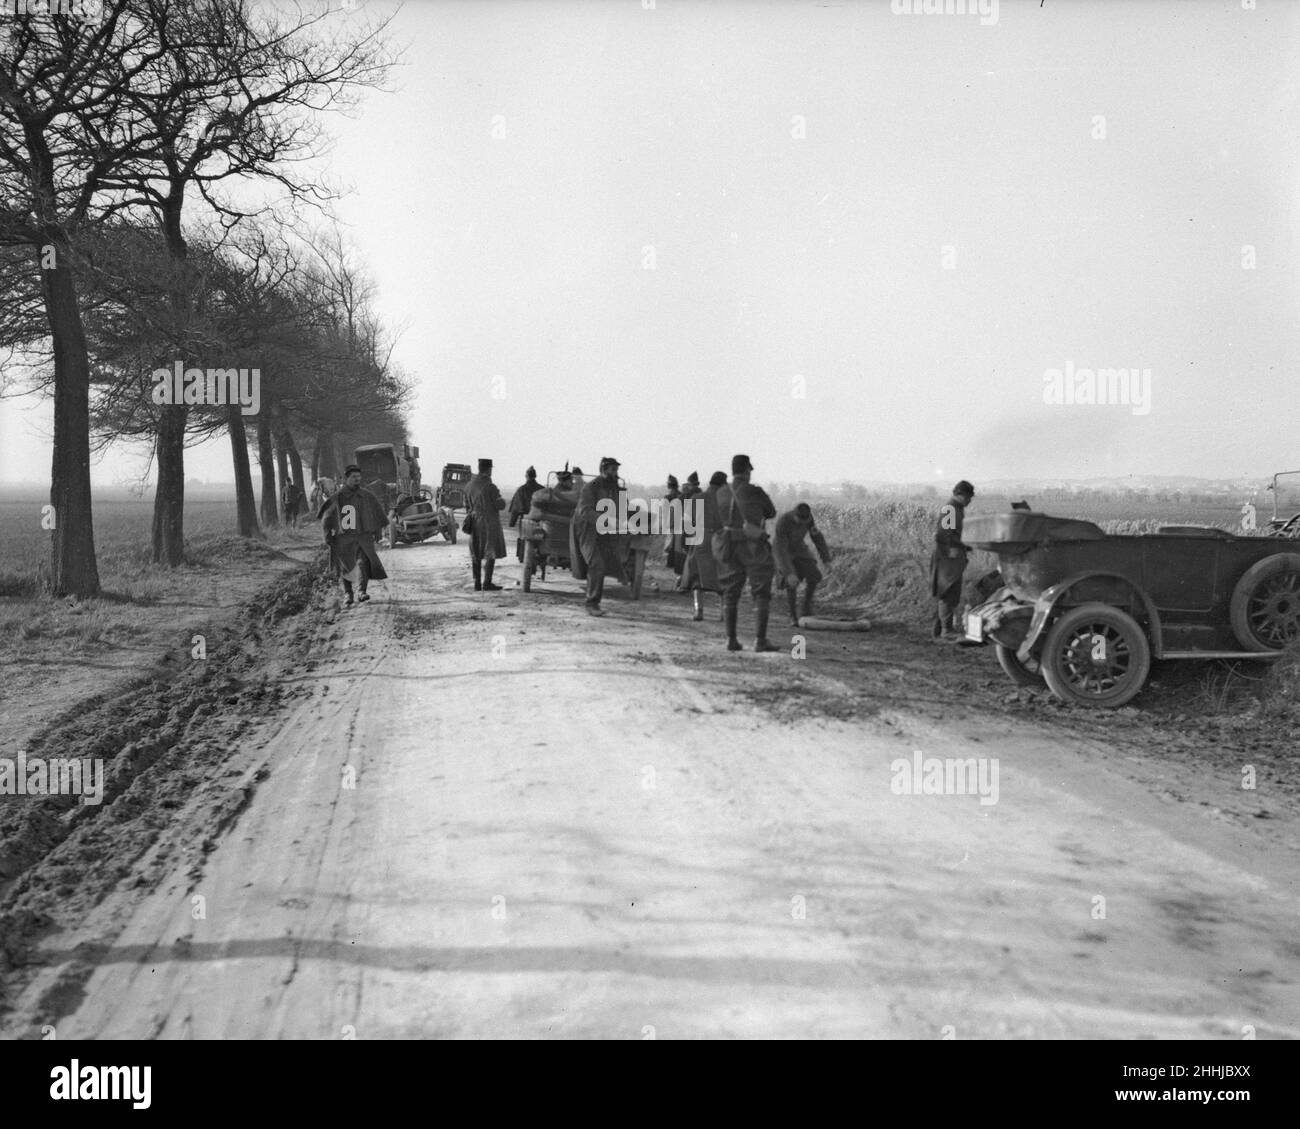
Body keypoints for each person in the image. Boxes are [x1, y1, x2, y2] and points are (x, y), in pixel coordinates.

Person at [714, 454, 778, 652]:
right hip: (752, 546)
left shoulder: (721, 492)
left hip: (729, 546)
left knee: (730, 593)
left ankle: (731, 640)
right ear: (747, 470)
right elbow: (771, 512)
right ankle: (760, 640)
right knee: (761, 591)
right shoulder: (754, 491)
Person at [320, 464, 389, 607]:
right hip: (344, 538)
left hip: (363, 536)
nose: (357, 479)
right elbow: (327, 517)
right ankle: (348, 593)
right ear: (347, 479)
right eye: (353, 477)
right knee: (347, 566)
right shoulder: (338, 497)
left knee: (364, 563)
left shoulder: (367, 495)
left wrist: (377, 530)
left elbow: (377, 512)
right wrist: (327, 535)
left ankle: (362, 591)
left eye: (359, 477)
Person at [575, 456, 625, 617]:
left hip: (606, 533)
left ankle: (594, 601)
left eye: (616, 470)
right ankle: (592, 603)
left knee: (604, 564)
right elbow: (584, 511)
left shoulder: (615, 488)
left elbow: (622, 508)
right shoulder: (591, 487)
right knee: (597, 564)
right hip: (588, 531)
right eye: (613, 469)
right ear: (604, 470)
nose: (615, 473)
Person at [773, 503, 833, 625]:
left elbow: (817, 538)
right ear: (794, 515)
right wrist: (789, 573)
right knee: (791, 582)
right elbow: (781, 550)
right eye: (799, 520)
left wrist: (826, 560)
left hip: (800, 549)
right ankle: (792, 616)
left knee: (814, 575)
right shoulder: (783, 522)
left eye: (805, 520)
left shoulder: (809, 519)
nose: (802, 523)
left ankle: (806, 607)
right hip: (784, 551)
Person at [930, 479, 975, 639]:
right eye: (968, 497)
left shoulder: (957, 508)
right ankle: (946, 630)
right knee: (948, 593)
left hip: (952, 557)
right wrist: (963, 544)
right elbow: (945, 535)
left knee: (949, 593)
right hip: (948, 558)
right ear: (961, 495)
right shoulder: (951, 509)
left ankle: (940, 628)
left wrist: (965, 546)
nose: (969, 501)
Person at [682, 470, 727, 621]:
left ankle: (698, 611)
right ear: (723, 485)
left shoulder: (696, 498)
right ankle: (724, 613)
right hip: (720, 540)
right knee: (722, 575)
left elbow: (686, 523)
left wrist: (687, 540)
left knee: (697, 576)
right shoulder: (725, 500)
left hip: (699, 538)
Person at [465, 458, 507, 591]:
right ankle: (487, 583)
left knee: (476, 552)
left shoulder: (469, 486)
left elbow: (466, 505)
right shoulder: (490, 486)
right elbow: (500, 505)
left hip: (474, 521)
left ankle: (477, 583)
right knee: (490, 551)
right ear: (489, 470)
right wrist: (502, 500)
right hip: (489, 522)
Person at [508, 466, 543, 561]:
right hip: (540, 520)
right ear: (535, 476)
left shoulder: (521, 490)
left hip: (526, 520)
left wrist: (512, 523)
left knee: (524, 538)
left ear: (526, 476)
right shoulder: (542, 489)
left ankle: (523, 557)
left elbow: (515, 508)